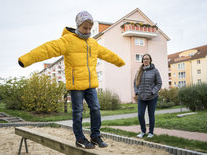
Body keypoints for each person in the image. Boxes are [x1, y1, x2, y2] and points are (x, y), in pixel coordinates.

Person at [18, 11, 125, 149]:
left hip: (90, 84)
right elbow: (47, 49)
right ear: (78, 26)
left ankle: (95, 136)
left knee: (96, 109)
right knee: (78, 111)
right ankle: (80, 138)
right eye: (84, 28)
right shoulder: (68, 41)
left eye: (89, 29)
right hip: (76, 86)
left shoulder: (93, 43)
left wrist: (119, 61)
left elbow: (107, 54)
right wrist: (26, 59)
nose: (87, 31)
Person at [133, 54, 162, 138]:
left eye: (147, 59)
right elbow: (135, 83)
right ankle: (143, 131)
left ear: (150, 60)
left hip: (152, 97)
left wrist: (153, 92)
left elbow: (159, 83)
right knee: (140, 115)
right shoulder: (139, 71)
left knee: (151, 115)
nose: (145, 60)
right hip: (141, 97)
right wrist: (137, 92)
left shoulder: (155, 71)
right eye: (144, 59)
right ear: (142, 61)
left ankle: (151, 132)